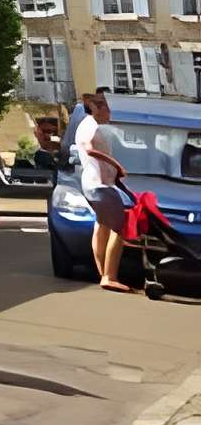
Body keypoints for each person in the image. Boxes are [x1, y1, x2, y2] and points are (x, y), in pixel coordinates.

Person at [76, 87, 137, 291]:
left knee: (101, 226)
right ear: (97, 108)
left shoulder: (91, 125)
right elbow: (89, 149)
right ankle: (109, 275)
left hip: (97, 183)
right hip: (99, 185)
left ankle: (103, 273)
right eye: (108, 108)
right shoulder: (90, 125)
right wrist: (116, 164)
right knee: (120, 227)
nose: (110, 114)